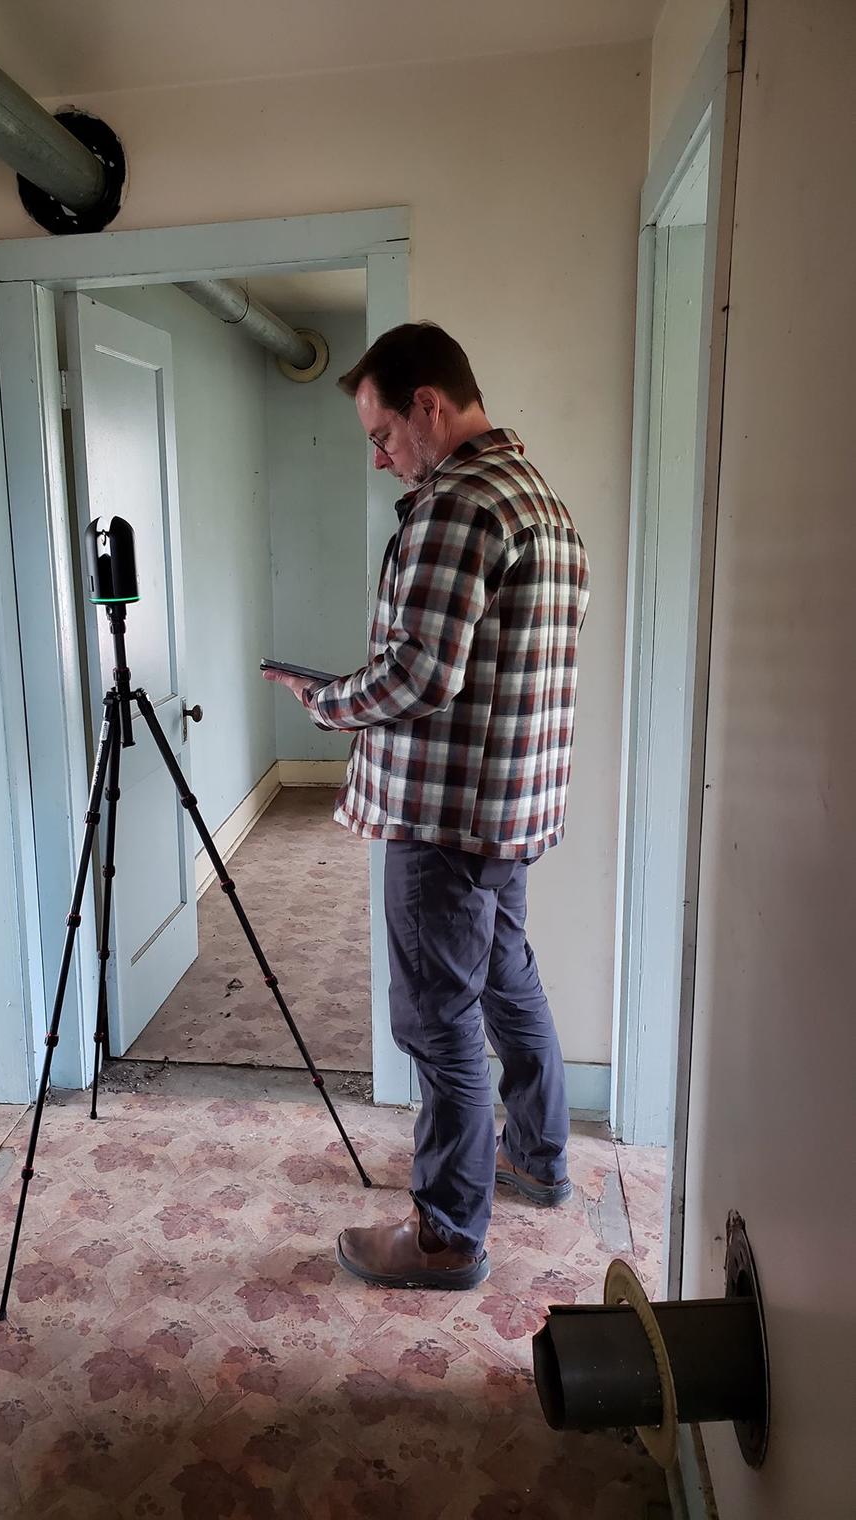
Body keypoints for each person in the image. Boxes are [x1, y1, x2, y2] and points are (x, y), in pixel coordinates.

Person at [263, 322, 589, 1290]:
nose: (378, 456)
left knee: (437, 1019)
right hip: (508, 811)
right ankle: (535, 1153)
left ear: (430, 407)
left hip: (444, 818)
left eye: (383, 433)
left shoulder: (459, 503)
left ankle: (447, 1234)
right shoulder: (542, 500)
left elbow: (419, 674)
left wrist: (326, 700)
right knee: (505, 983)